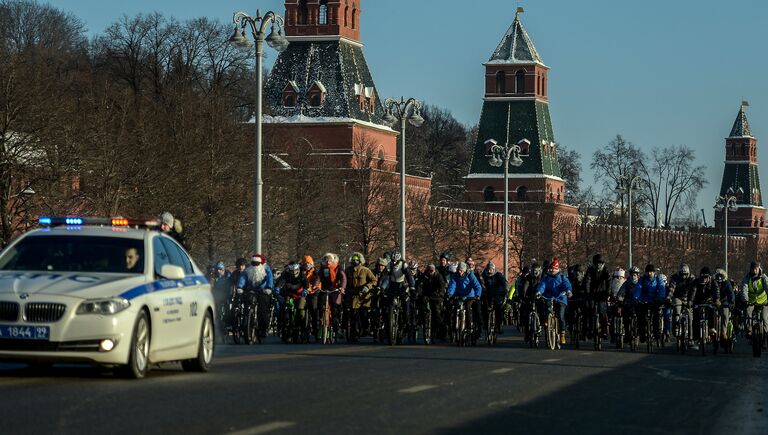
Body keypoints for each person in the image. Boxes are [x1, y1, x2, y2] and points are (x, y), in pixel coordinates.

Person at [536, 258, 573, 345]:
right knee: (546, 309)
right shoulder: (546, 278)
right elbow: (542, 286)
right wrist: (539, 292)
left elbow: (567, 285)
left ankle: (562, 334)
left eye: (553, 268)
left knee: (560, 315)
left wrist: (568, 291)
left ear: (557, 269)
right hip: (549, 297)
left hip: (560, 298)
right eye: (551, 268)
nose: (551, 270)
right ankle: (547, 321)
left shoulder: (562, 277)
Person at [237, 254, 275, 338]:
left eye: (257, 263)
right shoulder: (248, 270)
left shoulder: (266, 269)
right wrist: (240, 287)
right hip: (251, 290)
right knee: (247, 307)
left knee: (262, 310)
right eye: (253, 263)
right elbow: (243, 278)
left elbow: (270, 279)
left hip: (263, 291)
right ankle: (246, 326)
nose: (255, 265)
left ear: (260, 263)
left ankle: (263, 329)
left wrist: (269, 288)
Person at [630, 264, 666, 343]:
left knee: (656, 315)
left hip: (655, 300)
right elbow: (638, 288)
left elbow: (661, 289)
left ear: (654, 272)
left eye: (651, 272)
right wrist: (635, 298)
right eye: (648, 272)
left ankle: (656, 332)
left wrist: (661, 298)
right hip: (644, 300)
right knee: (641, 316)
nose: (649, 273)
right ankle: (642, 333)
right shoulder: (642, 280)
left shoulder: (658, 279)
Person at [345, 252, 377, 341]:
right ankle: (354, 334)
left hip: (363, 297)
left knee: (364, 315)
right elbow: (344, 281)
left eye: (357, 260)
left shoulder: (365, 270)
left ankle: (365, 328)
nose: (355, 261)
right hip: (352, 297)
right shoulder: (348, 270)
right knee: (353, 316)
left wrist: (368, 286)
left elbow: (374, 280)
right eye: (353, 260)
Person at [446, 262, 484, 335]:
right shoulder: (454, 276)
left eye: (461, 270)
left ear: (464, 270)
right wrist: (450, 293)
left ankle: (469, 327)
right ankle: (455, 326)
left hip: (469, 296)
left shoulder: (470, 275)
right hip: (458, 295)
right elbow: (452, 285)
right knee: (454, 308)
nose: (460, 272)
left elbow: (477, 286)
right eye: (458, 270)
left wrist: (477, 295)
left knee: (468, 307)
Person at [275, 261, 309, 336]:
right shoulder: (285, 274)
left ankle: (302, 328)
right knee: (284, 308)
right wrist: (277, 287)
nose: (294, 273)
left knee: (300, 310)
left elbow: (306, 283)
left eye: (295, 270)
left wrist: (305, 289)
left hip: (299, 295)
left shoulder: (301, 274)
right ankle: (283, 325)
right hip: (289, 294)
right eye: (292, 271)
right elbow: (281, 281)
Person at [318, 253, 347, 337]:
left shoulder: (338, 268)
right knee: (321, 305)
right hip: (325, 290)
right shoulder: (323, 269)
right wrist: (315, 285)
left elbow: (343, 278)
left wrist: (342, 287)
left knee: (335, 309)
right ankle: (321, 323)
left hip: (335, 290)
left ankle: (336, 329)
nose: (328, 262)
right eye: (326, 261)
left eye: (329, 261)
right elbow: (318, 277)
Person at [740, 261, 768, 346]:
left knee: (764, 318)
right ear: (751, 269)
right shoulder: (746, 278)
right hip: (751, 301)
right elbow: (744, 289)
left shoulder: (763, 277)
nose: (754, 270)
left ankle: (765, 337)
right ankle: (749, 331)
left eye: (756, 269)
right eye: (753, 269)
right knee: (748, 313)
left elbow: (767, 286)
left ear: (759, 268)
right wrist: (745, 300)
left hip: (763, 301)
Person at [690, 267, 720, 345]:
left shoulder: (713, 282)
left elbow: (716, 291)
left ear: (709, 277)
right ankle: (696, 338)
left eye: (706, 277)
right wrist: (690, 301)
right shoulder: (696, 282)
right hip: (698, 301)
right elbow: (693, 291)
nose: (704, 279)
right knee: (695, 317)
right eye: (702, 277)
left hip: (709, 301)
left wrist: (716, 300)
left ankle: (711, 327)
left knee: (712, 311)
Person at [418, 263, 447, 341]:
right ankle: (421, 323)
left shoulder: (438, 276)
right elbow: (420, 285)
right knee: (422, 309)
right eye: (429, 270)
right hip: (426, 295)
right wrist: (419, 293)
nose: (430, 272)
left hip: (436, 296)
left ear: (434, 270)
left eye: (432, 270)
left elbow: (442, 286)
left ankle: (442, 332)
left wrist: (440, 293)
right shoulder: (424, 276)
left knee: (437, 313)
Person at [585, 254, 611, 340]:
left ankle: (604, 331)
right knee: (591, 311)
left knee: (602, 311)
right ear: (594, 263)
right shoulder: (590, 270)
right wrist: (587, 293)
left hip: (602, 293)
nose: (598, 265)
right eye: (597, 263)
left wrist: (608, 293)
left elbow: (608, 282)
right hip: (592, 293)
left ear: (603, 263)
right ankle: (590, 330)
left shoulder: (606, 271)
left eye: (600, 263)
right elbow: (587, 281)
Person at [668, 263, 696, 341]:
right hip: (678, 296)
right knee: (676, 310)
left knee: (690, 316)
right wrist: (668, 298)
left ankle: (690, 337)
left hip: (688, 298)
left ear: (688, 273)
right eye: (682, 274)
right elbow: (671, 289)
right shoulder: (675, 277)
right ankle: (675, 327)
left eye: (685, 274)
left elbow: (694, 290)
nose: (683, 276)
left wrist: (692, 300)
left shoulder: (692, 278)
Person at [482, 261, 507, 335]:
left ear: (494, 269)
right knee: (484, 308)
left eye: (491, 269)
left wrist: (502, 292)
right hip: (488, 295)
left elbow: (504, 285)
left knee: (499, 310)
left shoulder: (498, 275)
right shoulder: (484, 276)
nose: (489, 271)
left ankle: (499, 325)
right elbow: (481, 284)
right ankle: (486, 324)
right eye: (488, 269)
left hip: (497, 295)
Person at [301, 255, 321, 339]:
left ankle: (315, 330)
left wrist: (315, 286)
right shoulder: (300, 271)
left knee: (314, 310)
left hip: (313, 292)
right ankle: (301, 329)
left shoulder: (315, 271)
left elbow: (318, 279)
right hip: (303, 293)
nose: (307, 265)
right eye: (305, 264)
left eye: (308, 263)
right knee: (301, 310)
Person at [713, 268, 734, 342]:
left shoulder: (727, 283)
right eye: (718, 275)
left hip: (724, 302)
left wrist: (731, 302)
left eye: (721, 275)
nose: (719, 277)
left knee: (725, 315)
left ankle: (723, 332)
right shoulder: (712, 282)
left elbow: (731, 293)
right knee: (713, 314)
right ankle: (712, 331)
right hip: (714, 302)